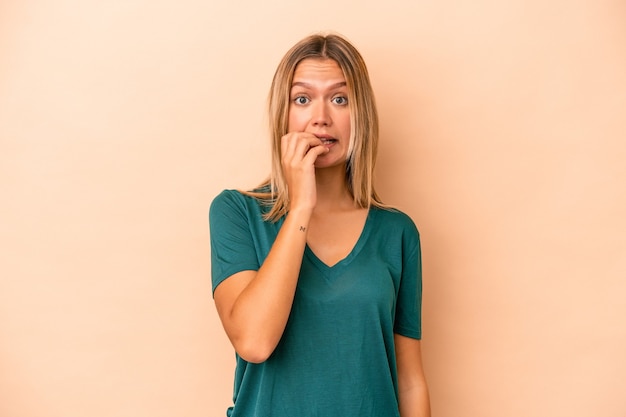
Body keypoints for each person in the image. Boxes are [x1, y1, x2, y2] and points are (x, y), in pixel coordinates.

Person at [209, 32, 430, 417]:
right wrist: (300, 207)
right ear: (284, 114)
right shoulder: (236, 212)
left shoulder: (397, 233)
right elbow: (254, 341)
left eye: (340, 99)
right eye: (303, 98)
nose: (321, 117)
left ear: (360, 115)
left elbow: (410, 381)